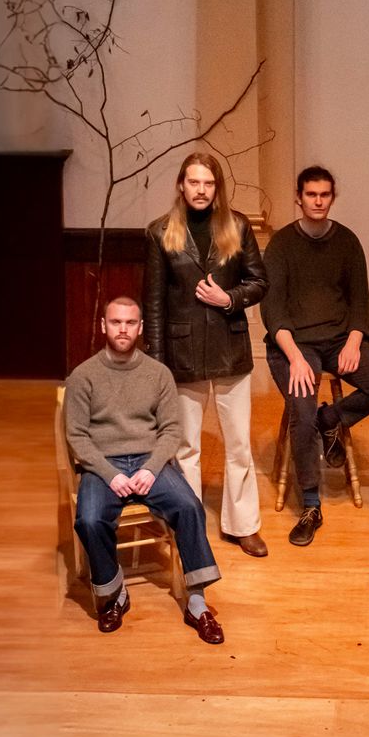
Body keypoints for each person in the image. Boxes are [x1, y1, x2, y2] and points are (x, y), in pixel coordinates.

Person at [65, 297, 224, 643]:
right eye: (116, 322)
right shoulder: (83, 376)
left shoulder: (158, 373)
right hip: (103, 465)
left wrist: (151, 469)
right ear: (103, 326)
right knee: (89, 519)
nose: (123, 329)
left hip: (149, 461)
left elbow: (171, 431)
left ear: (140, 328)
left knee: (189, 506)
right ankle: (114, 593)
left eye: (130, 323)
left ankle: (197, 602)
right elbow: (77, 436)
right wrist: (110, 474)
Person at [144, 152, 268, 558]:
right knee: (186, 448)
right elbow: (154, 303)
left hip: (230, 348)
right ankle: (189, 527)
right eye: (194, 182)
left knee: (239, 445)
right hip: (181, 353)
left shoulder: (237, 226)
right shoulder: (161, 232)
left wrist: (228, 298)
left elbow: (259, 281)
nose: (201, 190)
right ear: (181, 185)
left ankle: (243, 525)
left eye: (208, 183)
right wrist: (157, 364)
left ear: (217, 188)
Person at [263, 165, 369, 547]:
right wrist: (295, 358)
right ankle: (310, 503)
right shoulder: (282, 245)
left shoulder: (347, 242)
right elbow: (272, 310)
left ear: (332, 197)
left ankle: (332, 418)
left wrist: (354, 342)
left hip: (339, 340)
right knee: (301, 411)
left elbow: (360, 301)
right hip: (294, 345)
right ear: (299, 198)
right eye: (311, 195)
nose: (318, 201)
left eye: (324, 195)